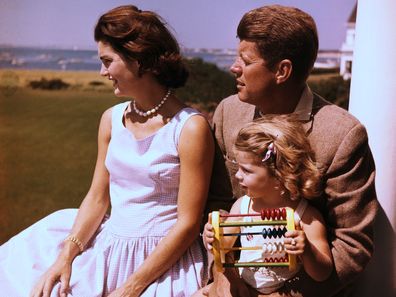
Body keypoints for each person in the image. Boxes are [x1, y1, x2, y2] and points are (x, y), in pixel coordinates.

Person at [0, 5, 213, 297]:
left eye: (107, 61)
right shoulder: (111, 120)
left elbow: (188, 225)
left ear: (138, 59)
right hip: (107, 246)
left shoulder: (189, 128)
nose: (102, 72)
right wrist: (65, 258)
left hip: (162, 262)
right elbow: (98, 197)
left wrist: (130, 288)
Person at [205, 4, 378, 297]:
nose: (234, 67)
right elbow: (217, 204)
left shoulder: (343, 135)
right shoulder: (227, 112)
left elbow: (352, 245)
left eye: (245, 60)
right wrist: (224, 277)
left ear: (282, 71)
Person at [195, 115, 333, 296]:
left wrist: (307, 250)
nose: (237, 176)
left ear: (279, 176)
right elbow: (224, 249)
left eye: (247, 170)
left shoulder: (305, 217)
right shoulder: (243, 207)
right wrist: (212, 238)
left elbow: (323, 273)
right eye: (238, 167)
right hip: (242, 288)